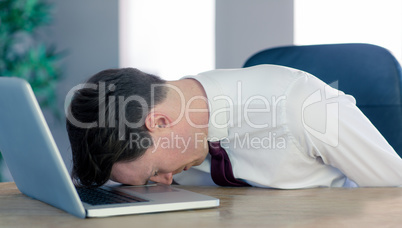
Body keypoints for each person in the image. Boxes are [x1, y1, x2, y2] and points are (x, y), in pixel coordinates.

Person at [66, 65, 402, 189]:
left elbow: (396, 193)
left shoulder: (304, 106)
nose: (165, 182)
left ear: (160, 121)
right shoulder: (187, 129)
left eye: (154, 173)